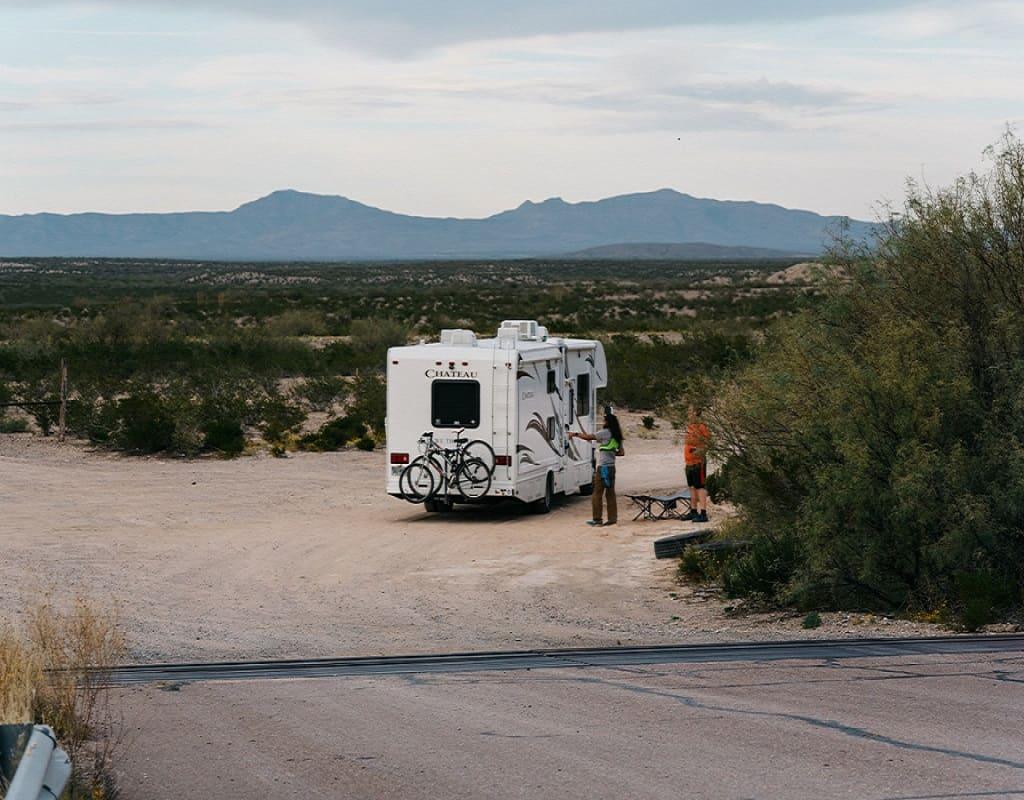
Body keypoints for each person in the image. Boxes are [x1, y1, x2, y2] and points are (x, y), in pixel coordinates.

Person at [569, 408, 624, 526]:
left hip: (603, 468)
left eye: (604, 421)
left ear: (608, 422)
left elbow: (589, 437)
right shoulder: (617, 435)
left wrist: (575, 434)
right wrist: (610, 451)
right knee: (610, 493)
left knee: (597, 494)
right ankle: (612, 519)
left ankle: (597, 519)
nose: (603, 423)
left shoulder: (604, 433)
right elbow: (621, 453)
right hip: (612, 468)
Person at [683, 405, 710, 523]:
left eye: (691, 412)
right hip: (689, 462)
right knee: (692, 487)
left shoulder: (702, 426)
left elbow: (708, 442)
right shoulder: (690, 426)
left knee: (700, 486)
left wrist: (698, 451)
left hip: (698, 462)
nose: (689, 414)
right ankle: (693, 511)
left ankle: (703, 513)